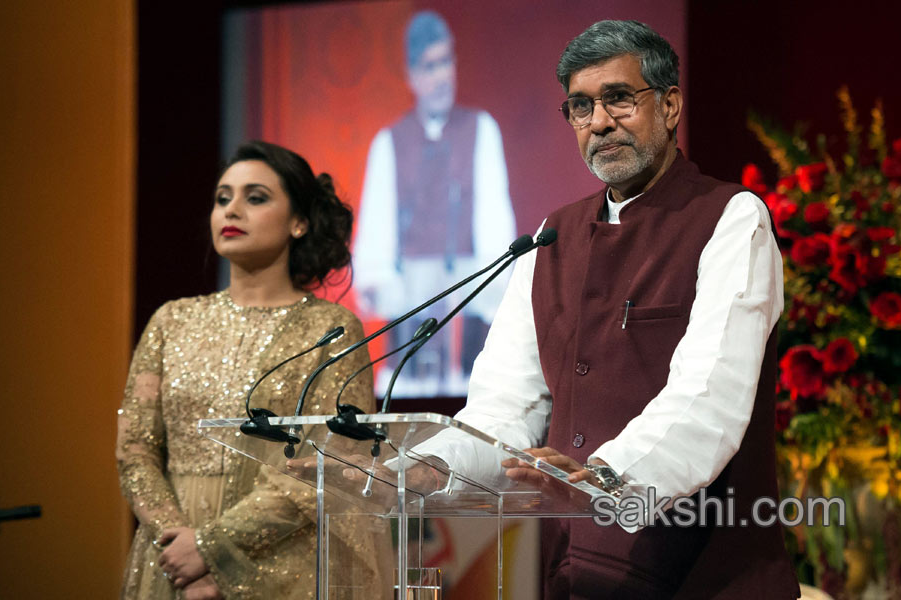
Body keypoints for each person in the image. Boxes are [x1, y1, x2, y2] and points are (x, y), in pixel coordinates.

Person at [417, 20, 800, 598]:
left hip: (702, 572)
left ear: (670, 106)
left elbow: (709, 397)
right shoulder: (551, 236)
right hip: (575, 572)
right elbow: (506, 410)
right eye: (580, 106)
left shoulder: (731, 218)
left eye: (618, 98)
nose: (598, 121)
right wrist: (421, 470)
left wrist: (606, 479)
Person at [117, 141, 381, 599]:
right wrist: (179, 542)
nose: (231, 210)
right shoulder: (171, 320)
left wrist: (213, 548)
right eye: (223, 198)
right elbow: (136, 449)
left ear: (299, 222)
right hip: (172, 563)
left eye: (255, 198)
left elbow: (327, 460)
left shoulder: (332, 328)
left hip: (280, 563)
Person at [353, 10, 517, 396]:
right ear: (411, 75)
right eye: (430, 66)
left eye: (446, 62)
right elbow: (374, 246)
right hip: (409, 324)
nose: (441, 76)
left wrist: (474, 293)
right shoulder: (388, 143)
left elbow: (496, 230)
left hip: (467, 324)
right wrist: (399, 292)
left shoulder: (482, 130)